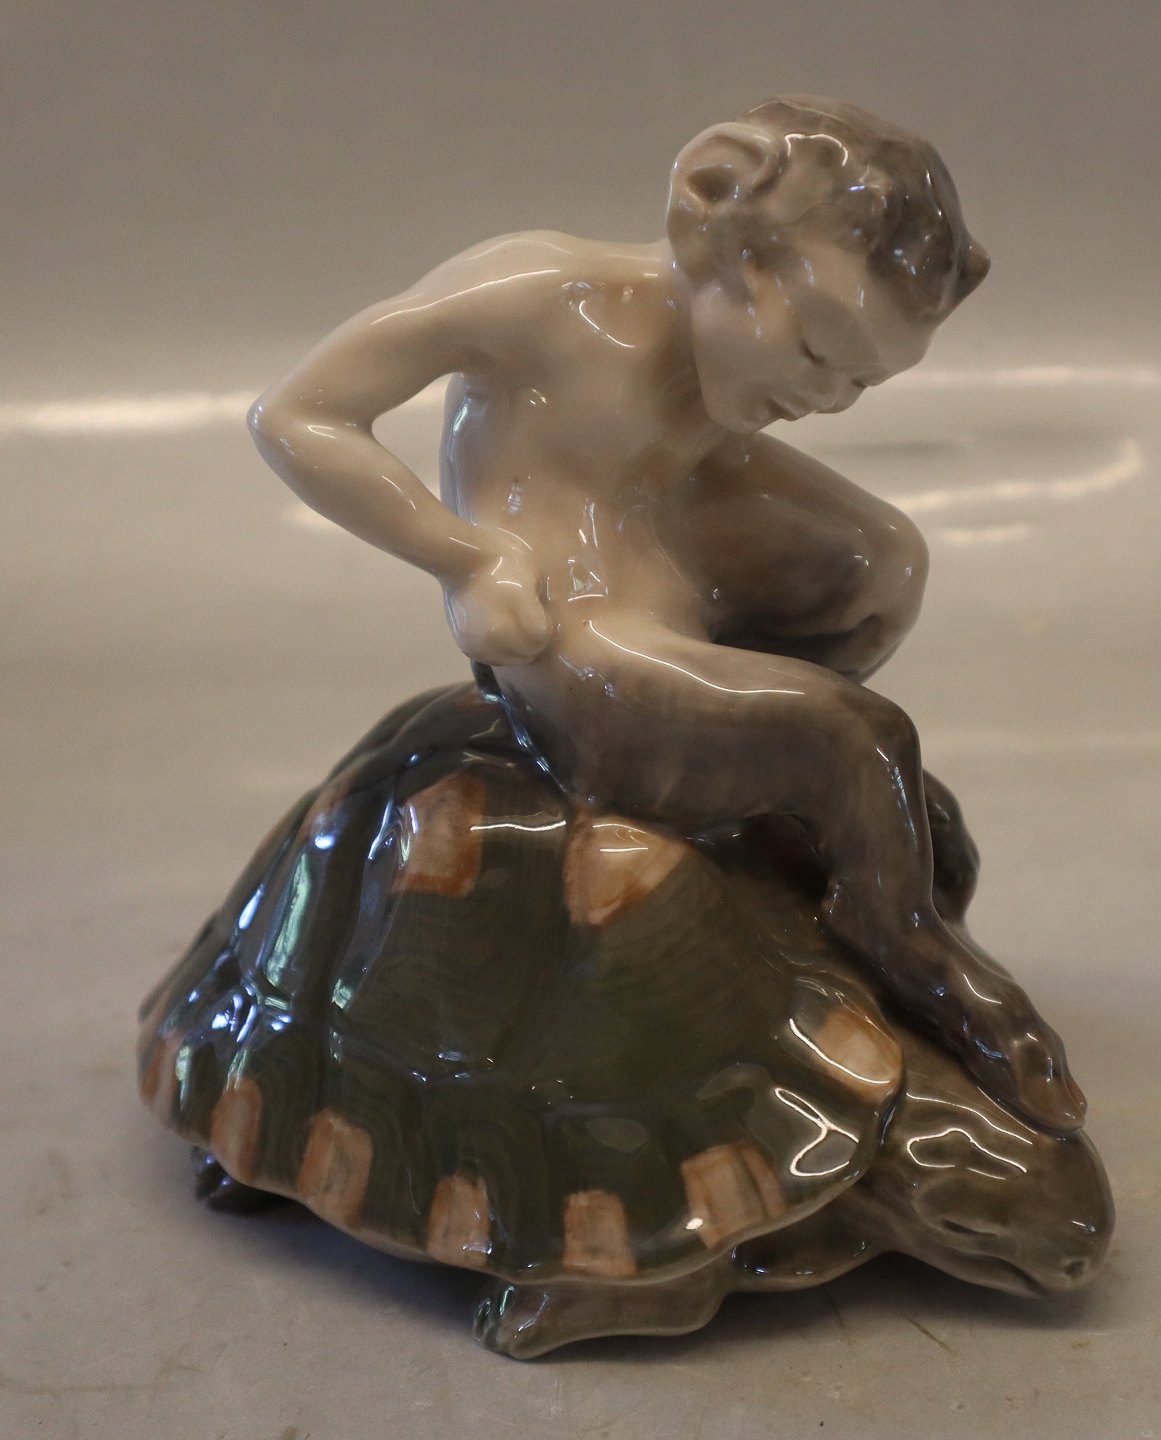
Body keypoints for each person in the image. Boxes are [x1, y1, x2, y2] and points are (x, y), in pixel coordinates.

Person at [249, 96, 1084, 1134]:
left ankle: (757, 776)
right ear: (712, 221)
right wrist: (465, 559)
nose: (830, 400)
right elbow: (299, 413)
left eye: (862, 382)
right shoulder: (541, 294)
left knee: (882, 564)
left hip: (676, 560)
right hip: (574, 625)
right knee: (857, 734)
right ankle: (897, 932)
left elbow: (766, 507)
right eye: (816, 350)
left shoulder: (716, 377)